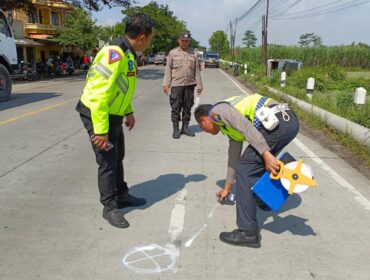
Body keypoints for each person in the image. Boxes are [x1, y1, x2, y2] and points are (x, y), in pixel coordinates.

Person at [75, 13, 154, 228]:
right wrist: (100, 131)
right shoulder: (114, 54)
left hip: (113, 114)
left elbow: (122, 89)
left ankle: (121, 194)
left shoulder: (128, 53)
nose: (150, 42)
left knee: (118, 155)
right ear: (142, 37)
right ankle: (109, 206)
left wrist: (128, 112)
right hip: (96, 113)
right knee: (107, 160)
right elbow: (98, 94)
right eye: (151, 38)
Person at [194, 93, 299, 247]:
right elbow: (234, 157)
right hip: (287, 122)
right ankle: (265, 198)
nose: (205, 131)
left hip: (278, 122)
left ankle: (247, 232)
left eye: (202, 127)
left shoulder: (217, 111)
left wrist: (265, 153)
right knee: (250, 164)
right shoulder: (227, 125)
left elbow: (246, 127)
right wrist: (227, 187)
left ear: (204, 120)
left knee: (245, 169)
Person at [163, 31, 203, 139]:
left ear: (189, 41)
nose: (185, 43)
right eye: (183, 41)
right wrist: (166, 83)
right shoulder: (173, 53)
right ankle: (176, 129)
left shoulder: (193, 54)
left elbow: (197, 71)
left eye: (187, 41)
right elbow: (168, 69)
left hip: (190, 85)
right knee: (175, 108)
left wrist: (199, 85)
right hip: (176, 85)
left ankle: (185, 128)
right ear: (179, 41)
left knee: (187, 108)